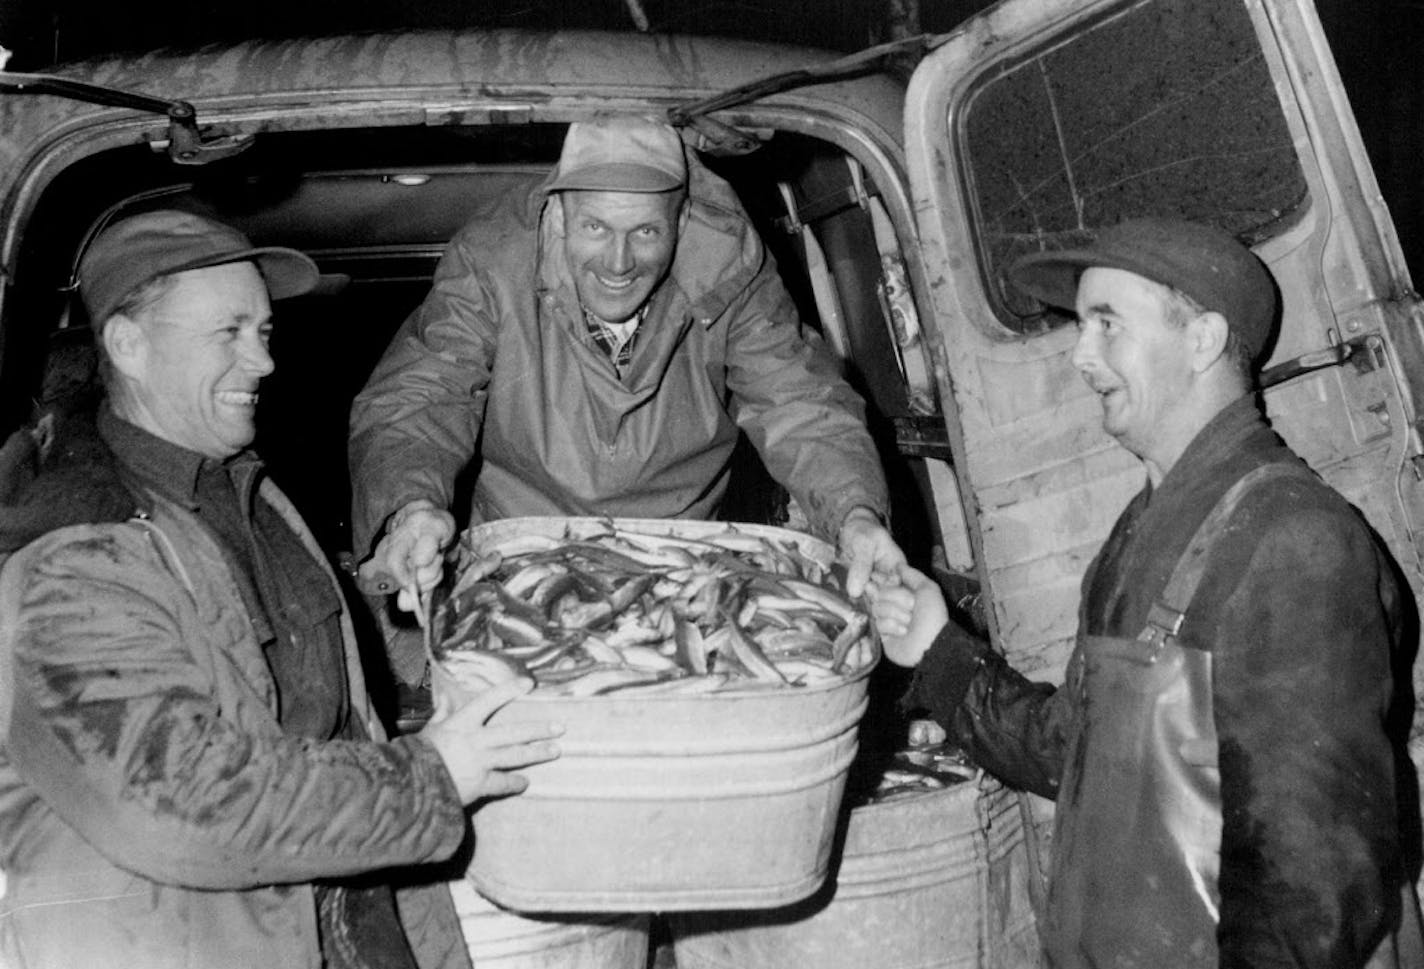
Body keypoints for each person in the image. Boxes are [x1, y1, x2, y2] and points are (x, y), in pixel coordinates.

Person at [0, 210, 562, 969]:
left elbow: (269, 649)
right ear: (127, 345)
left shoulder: (236, 489)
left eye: (263, 332)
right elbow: (179, 800)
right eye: (227, 333)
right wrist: (431, 774)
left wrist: (394, 583)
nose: (263, 362)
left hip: (322, 908)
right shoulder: (75, 551)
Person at [869, 218, 1423, 969]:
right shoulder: (1141, 531)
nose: (1081, 353)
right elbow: (1074, 750)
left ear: (1201, 340)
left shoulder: (1293, 540)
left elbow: (1314, 883)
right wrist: (937, 648)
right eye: (1080, 325)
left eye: (1107, 324)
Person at [348, 113, 904, 674]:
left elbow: (800, 401)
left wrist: (853, 514)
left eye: (645, 232)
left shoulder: (732, 270)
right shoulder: (492, 263)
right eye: (596, 228)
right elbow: (422, 393)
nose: (618, 263)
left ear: (682, 220)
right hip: (514, 569)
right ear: (561, 216)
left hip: (680, 571)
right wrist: (411, 507)